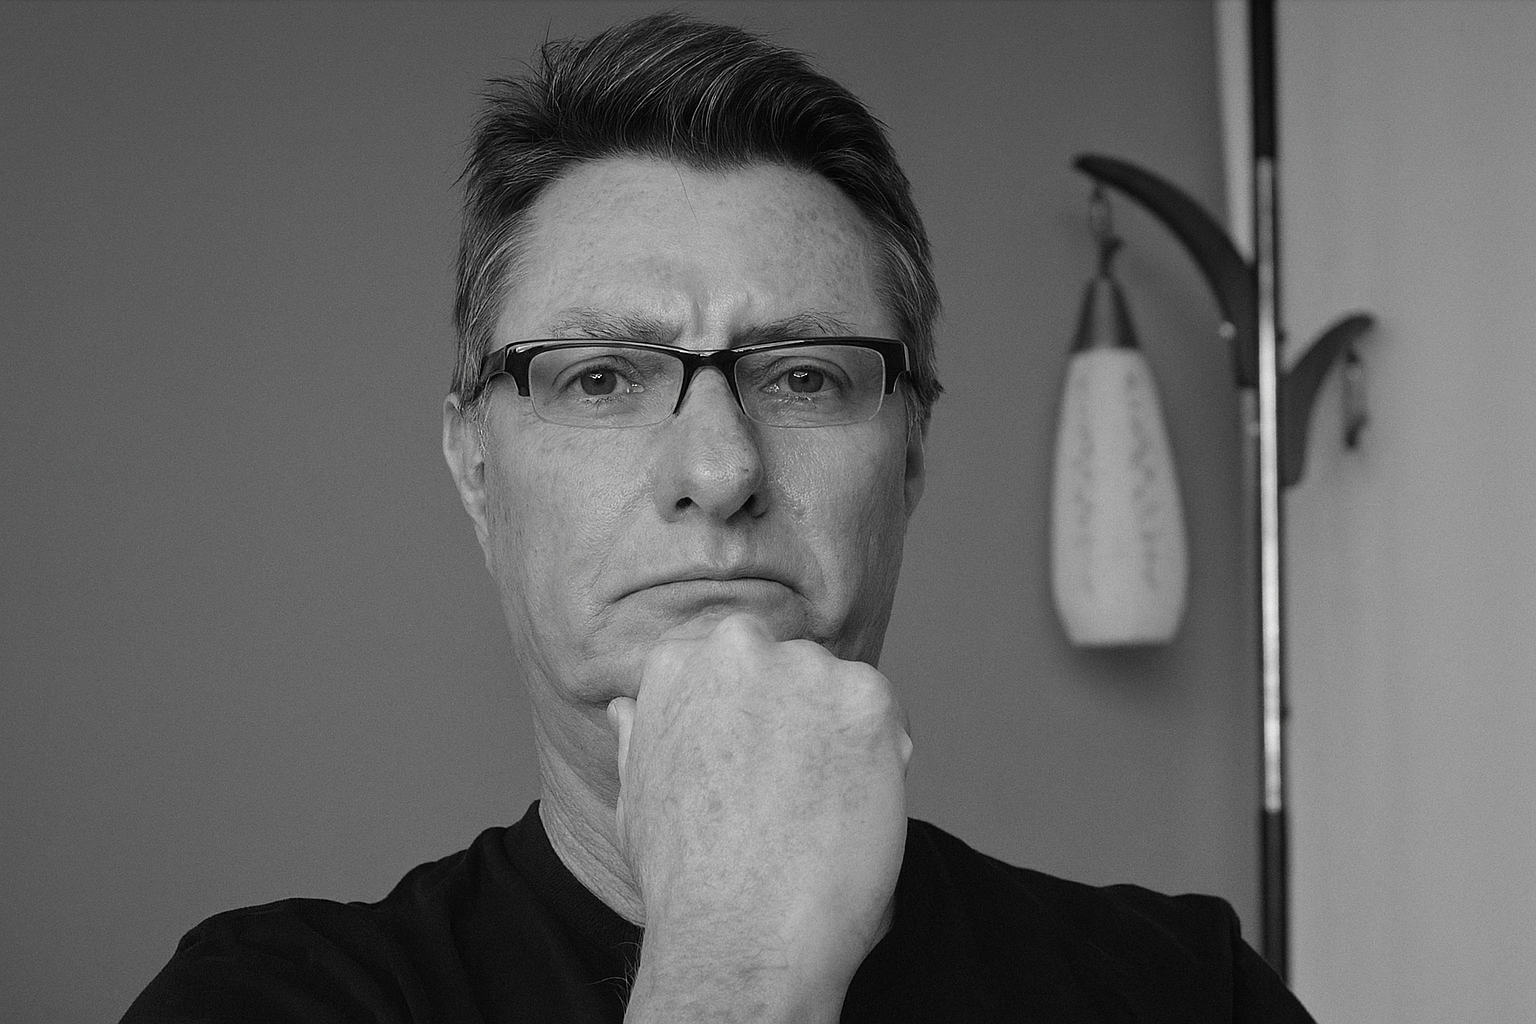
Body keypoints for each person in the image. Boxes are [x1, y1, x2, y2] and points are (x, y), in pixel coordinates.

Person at [123, 13, 1314, 1023]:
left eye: (802, 376)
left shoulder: (1185, 992)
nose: (719, 466)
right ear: (476, 469)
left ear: (909, 462)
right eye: (599, 376)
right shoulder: (265, 996)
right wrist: (733, 970)